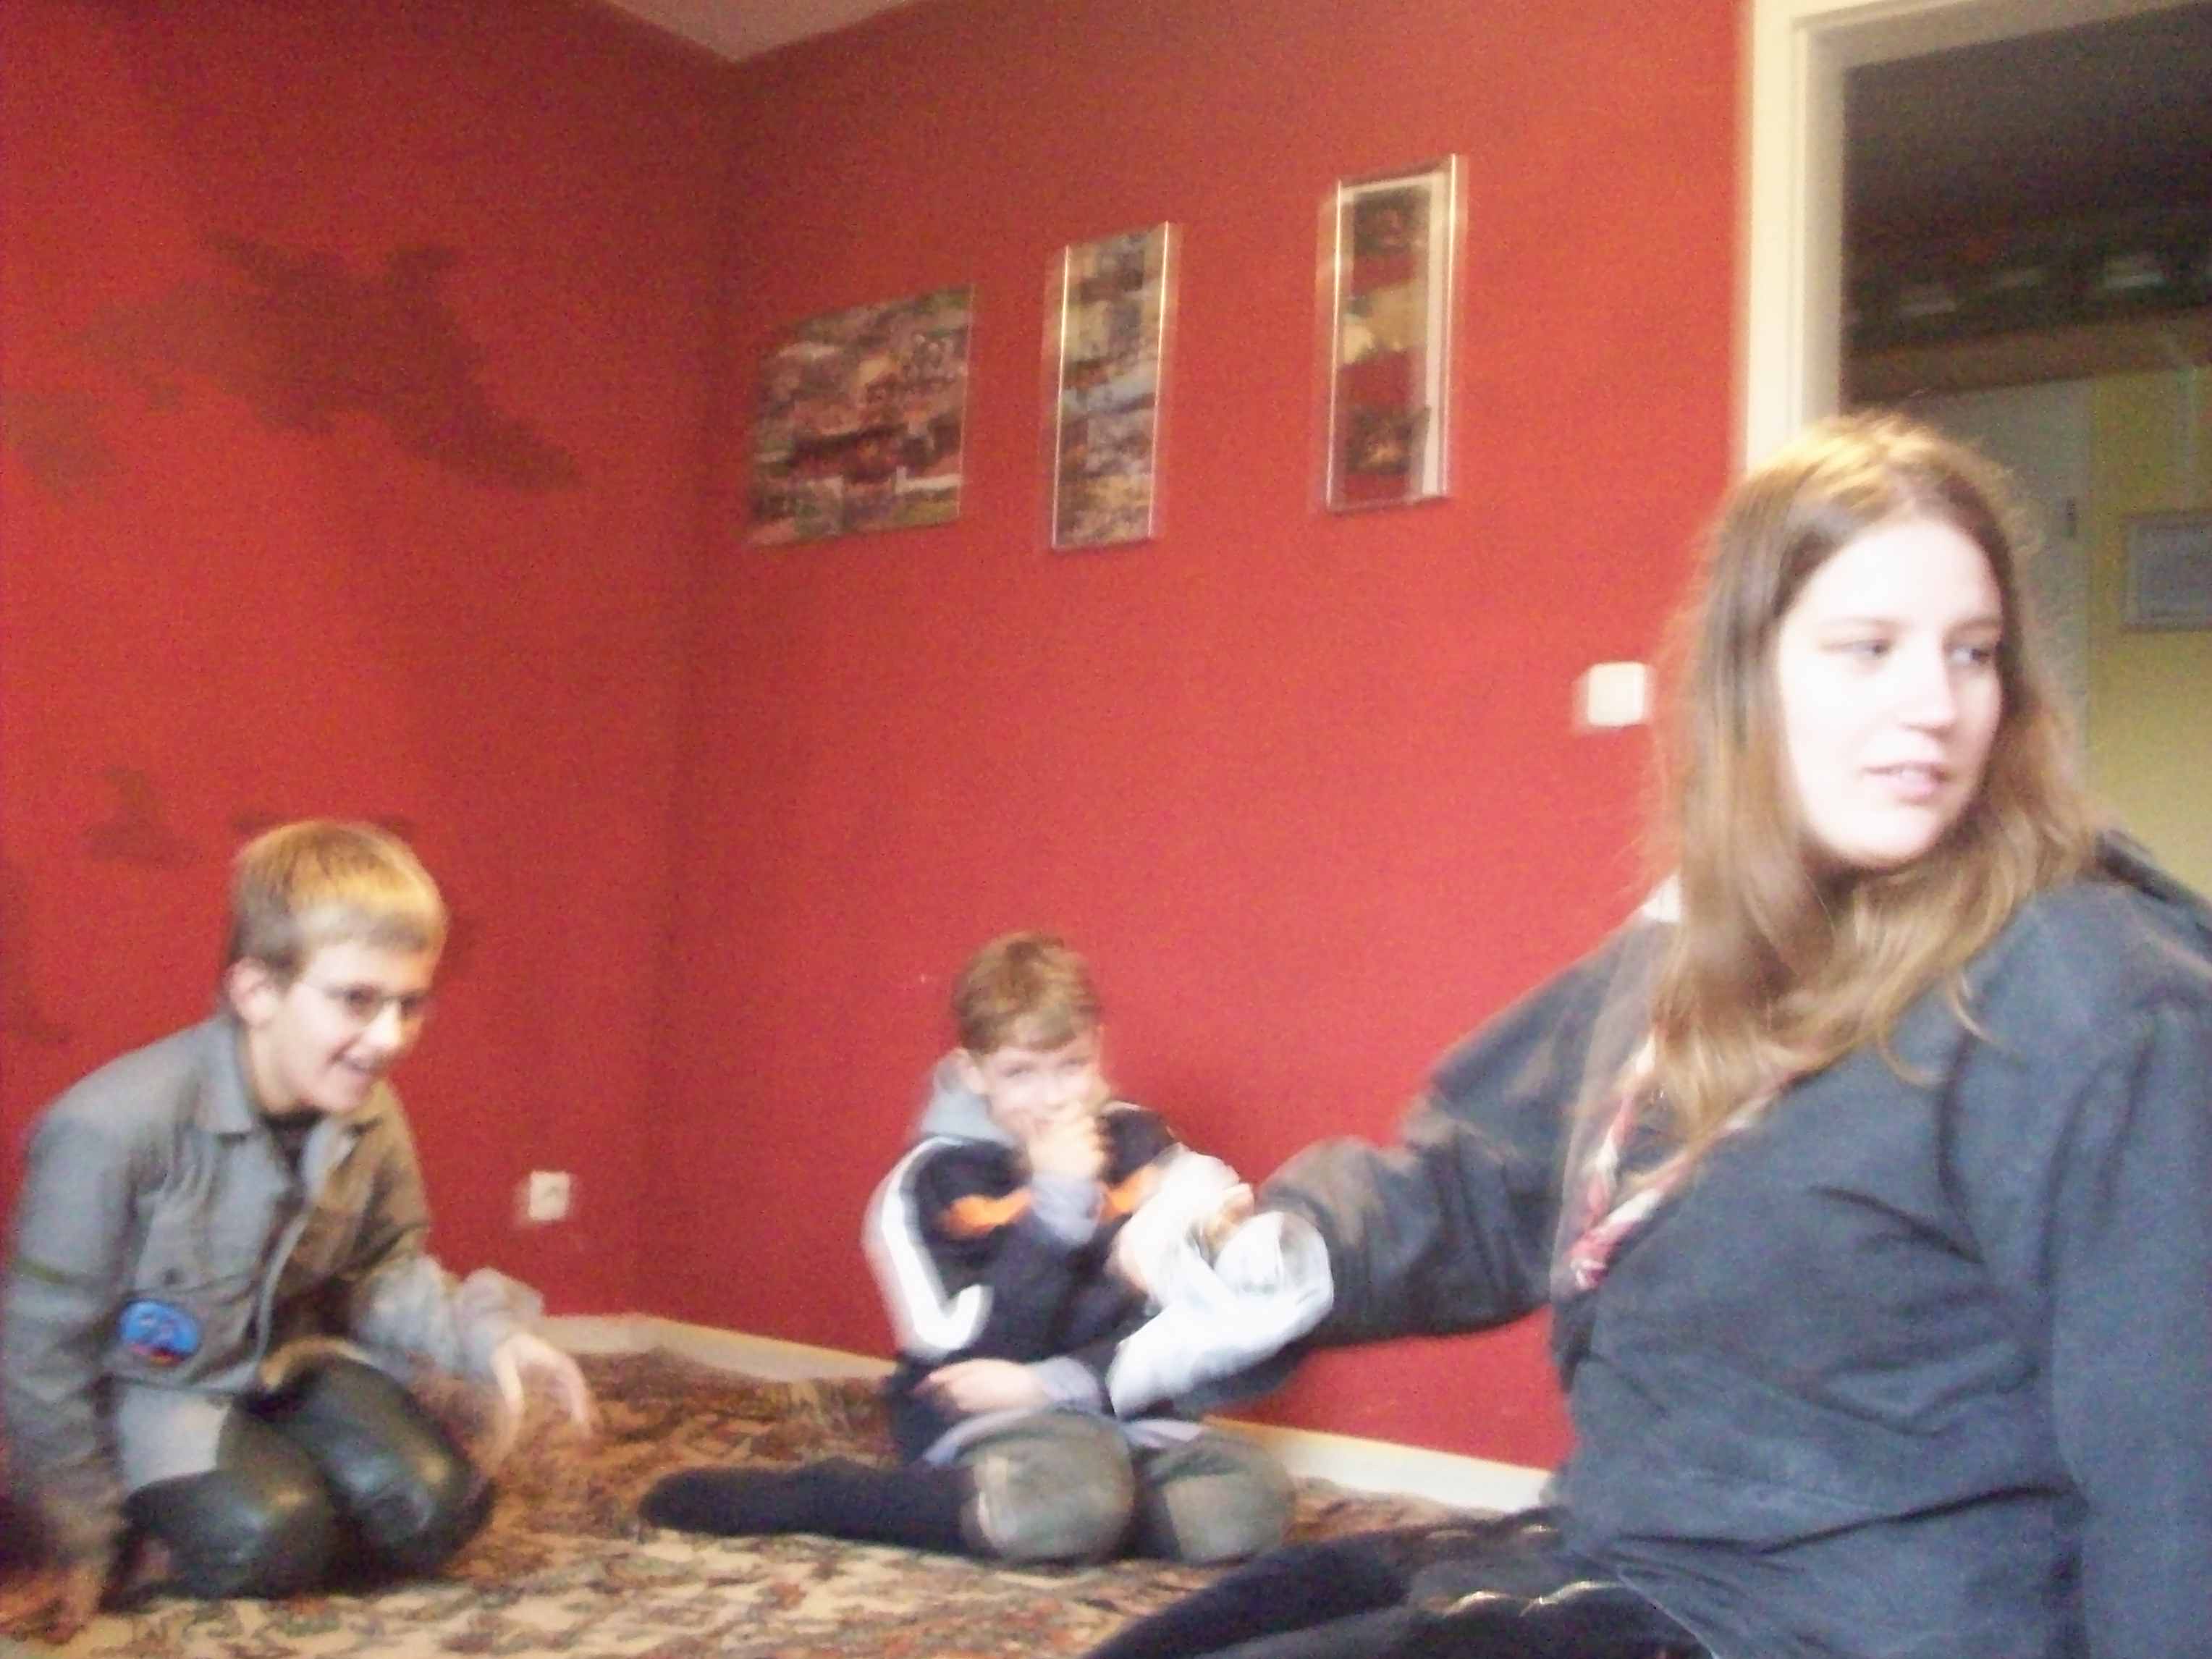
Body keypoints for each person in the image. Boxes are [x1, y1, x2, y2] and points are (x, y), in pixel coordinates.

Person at [1087, 413, 2212, 1659]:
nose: (1935, 705)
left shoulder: (2093, 994)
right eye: (1869, 648)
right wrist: (1290, 1250)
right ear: (1749, 675)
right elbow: (1486, 1180)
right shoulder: (1705, 945)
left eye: (1973, 653)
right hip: (1627, 1562)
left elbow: (2182, 1468)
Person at [1, 821, 595, 1642]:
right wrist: (76, 1534)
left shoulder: (371, 1111)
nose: (389, 1038)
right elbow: (40, 1356)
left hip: (287, 1364)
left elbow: (385, 1269)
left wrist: (488, 1337)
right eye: (356, 1000)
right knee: (272, 1536)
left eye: (410, 1004)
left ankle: (270, 1489)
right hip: (152, 1391)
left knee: (438, 1511)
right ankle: (199, 1521)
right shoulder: (108, 1127)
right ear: (257, 992)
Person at [641, 930, 1299, 1566]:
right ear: (973, 1072)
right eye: (1020, 1074)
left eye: (1072, 1066)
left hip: (1112, 1405)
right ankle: (831, 1498)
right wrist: (1056, 1209)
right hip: (992, 1420)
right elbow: (963, 1357)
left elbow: (1181, 1316)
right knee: (1076, 1489)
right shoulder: (926, 1186)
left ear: (1099, 1047)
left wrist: (1060, 1382)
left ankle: (1073, 1520)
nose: (1053, 1098)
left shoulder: (1144, 1144)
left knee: (1253, 1501)